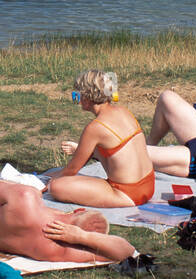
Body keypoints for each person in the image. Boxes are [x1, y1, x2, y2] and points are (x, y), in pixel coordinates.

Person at [46, 70, 155, 208]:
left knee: (56, 186)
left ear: (87, 96)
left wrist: (45, 180)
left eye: (78, 95)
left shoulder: (95, 128)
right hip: (149, 185)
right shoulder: (124, 111)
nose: (78, 100)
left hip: (126, 193)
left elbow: (71, 170)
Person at [0, 180, 137, 263]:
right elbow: (128, 251)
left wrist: (31, 190)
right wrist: (83, 238)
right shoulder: (60, 250)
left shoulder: (27, 199)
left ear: (78, 210)